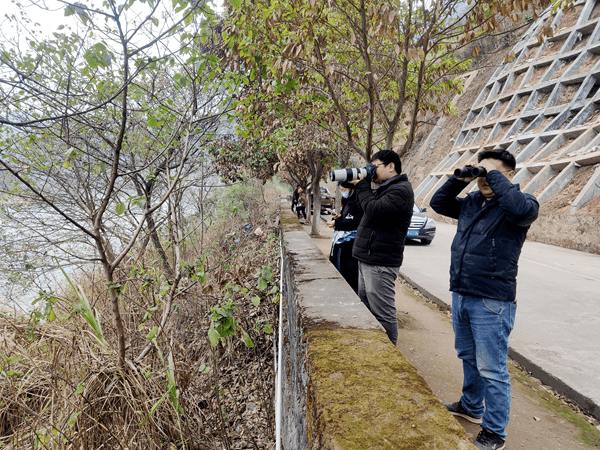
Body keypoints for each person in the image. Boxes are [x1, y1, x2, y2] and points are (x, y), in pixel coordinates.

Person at [430, 149, 539, 450]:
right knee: (467, 356)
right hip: (462, 293)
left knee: (492, 368)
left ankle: (494, 432)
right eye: (481, 172)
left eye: (492, 172)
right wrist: (461, 178)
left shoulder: (522, 205)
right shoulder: (472, 203)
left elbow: (518, 209)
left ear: (510, 175)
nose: (485, 178)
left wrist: (492, 175)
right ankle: (471, 406)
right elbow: (438, 203)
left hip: (493, 300)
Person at [349, 149, 414, 345]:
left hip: (380, 261)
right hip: (368, 257)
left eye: (374, 166)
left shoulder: (401, 190)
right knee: (367, 308)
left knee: (382, 312)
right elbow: (363, 210)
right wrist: (359, 187)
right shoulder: (385, 188)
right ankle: (372, 348)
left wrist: (362, 185)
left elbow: (374, 210)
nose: (371, 171)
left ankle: (390, 357)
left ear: (391, 166)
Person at [326, 181, 363, 293]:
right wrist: (338, 217)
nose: (343, 192)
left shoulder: (358, 202)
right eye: (341, 190)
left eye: (344, 190)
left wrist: (336, 224)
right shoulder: (347, 201)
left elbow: (355, 222)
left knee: (348, 270)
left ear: (351, 188)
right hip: (341, 240)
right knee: (339, 266)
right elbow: (346, 217)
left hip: (351, 242)